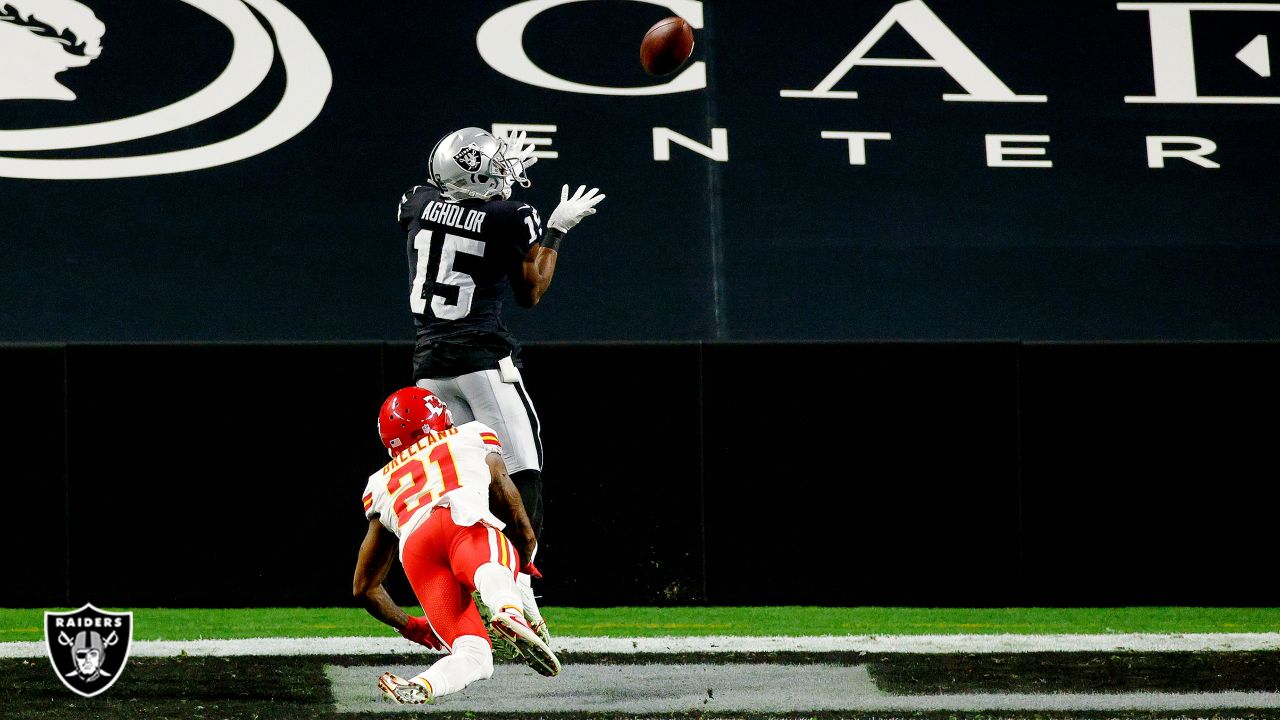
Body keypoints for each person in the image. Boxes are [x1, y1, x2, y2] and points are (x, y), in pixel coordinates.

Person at [396, 126, 605, 646]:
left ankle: (472, 601)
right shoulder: (510, 217)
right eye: (496, 169)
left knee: (463, 489)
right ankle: (518, 598)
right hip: (483, 361)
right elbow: (531, 290)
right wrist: (554, 231)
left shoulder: (417, 202)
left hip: (429, 364)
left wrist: (481, 180)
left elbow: (452, 207)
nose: (508, 175)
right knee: (520, 472)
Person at [353, 387, 561, 705]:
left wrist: (409, 626)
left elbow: (364, 587)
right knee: (494, 556)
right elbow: (505, 491)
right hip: (460, 519)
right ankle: (509, 610)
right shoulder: (472, 433)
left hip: (417, 552)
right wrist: (524, 549)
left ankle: (422, 684)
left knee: (476, 655)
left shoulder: (380, 483)